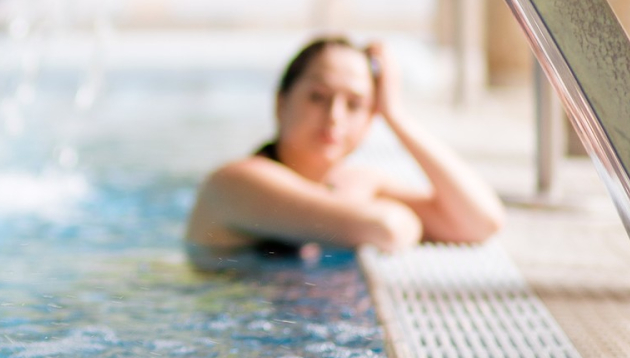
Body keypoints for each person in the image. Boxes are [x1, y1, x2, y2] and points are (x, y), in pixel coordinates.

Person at [186, 37, 504, 263]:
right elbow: (386, 229)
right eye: (317, 97)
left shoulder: (354, 184)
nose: (334, 117)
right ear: (281, 103)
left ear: (370, 120)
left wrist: (397, 117)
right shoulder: (235, 182)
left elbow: (480, 222)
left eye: (355, 104)